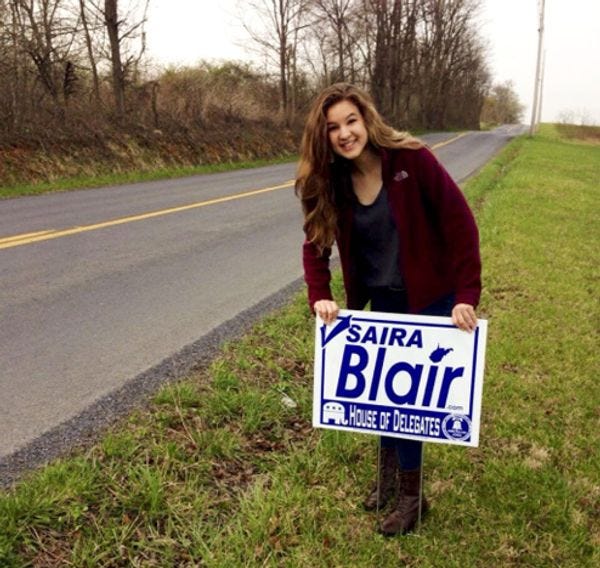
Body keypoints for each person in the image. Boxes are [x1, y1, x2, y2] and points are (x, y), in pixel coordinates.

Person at [295, 83, 481, 536]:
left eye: (351, 121)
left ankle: (412, 497)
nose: (344, 133)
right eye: (333, 127)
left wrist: (465, 296)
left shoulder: (412, 161)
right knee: (382, 398)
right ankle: (388, 479)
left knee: (409, 403)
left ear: (367, 120)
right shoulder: (329, 181)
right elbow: (315, 244)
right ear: (323, 136)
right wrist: (320, 294)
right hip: (382, 300)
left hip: (430, 296)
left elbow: (460, 225)